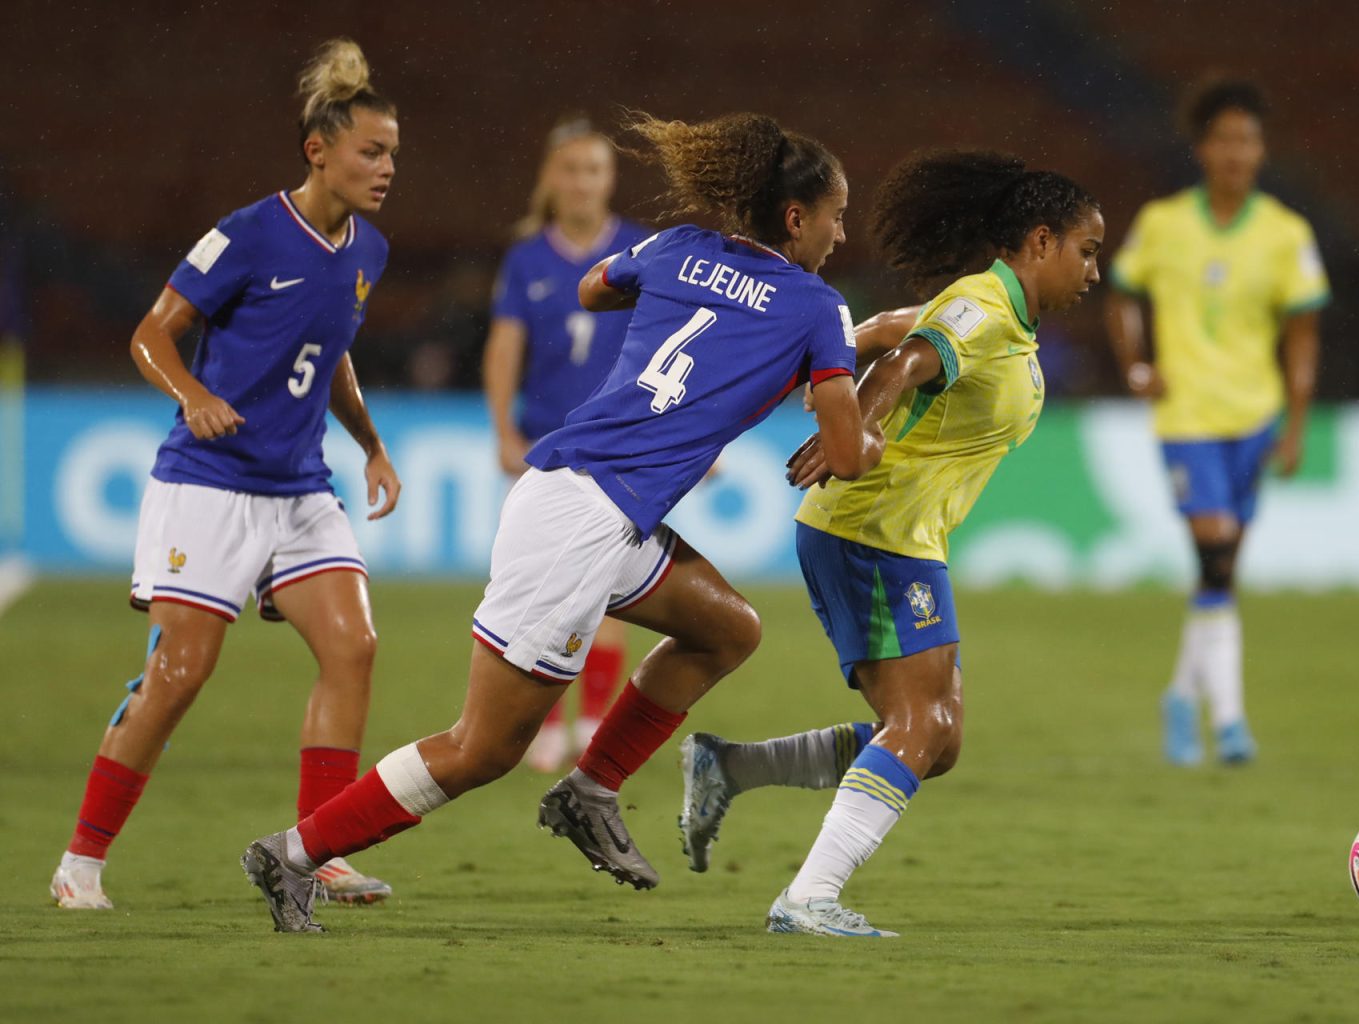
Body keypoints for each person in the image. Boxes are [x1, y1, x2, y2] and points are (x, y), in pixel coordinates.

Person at [240, 111, 882, 932]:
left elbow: (593, 289)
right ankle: (291, 855)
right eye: (836, 214)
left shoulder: (674, 245)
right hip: (581, 520)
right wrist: (880, 390)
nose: (840, 231)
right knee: (482, 748)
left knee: (727, 628)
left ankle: (591, 788)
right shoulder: (817, 307)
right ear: (796, 219)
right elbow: (850, 454)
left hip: (592, 500)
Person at [678, 151, 1105, 938]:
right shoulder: (983, 307)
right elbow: (905, 361)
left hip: (902, 539)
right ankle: (807, 898)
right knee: (922, 726)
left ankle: (730, 766)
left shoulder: (996, 314)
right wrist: (857, 426)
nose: (1095, 270)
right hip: (872, 534)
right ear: (1041, 242)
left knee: (934, 740)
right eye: (1087, 249)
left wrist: (828, 371)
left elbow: (879, 330)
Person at [48, 39, 403, 910]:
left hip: (299, 487)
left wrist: (371, 444)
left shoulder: (371, 250)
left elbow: (334, 358)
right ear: (319, 150)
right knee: (179, 675)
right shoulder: (247, 234)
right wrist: (193, 393)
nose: (388, 167)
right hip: (208, 481)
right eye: (372, 150)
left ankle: (314, 851)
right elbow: (149, 334)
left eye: (394, 152)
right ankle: (79, 864)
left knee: (353, 647)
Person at [1103, 77, 1329, 766]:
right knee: (1216, 553)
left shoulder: (1286, 234)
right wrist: (1137, 366)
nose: (1237, 152)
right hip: (1189, 416)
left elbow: (1302, 336)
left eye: (1249, 139)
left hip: (1254, 418)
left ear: (1262, 151)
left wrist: (1294, 425)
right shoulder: (1163, 223)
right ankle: (1229, 720)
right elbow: (1120, 296)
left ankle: (1180, 694)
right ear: (1202, 148)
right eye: (1225, 138)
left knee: (1218, 573)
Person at [482, 116, 652, 771]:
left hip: (622, 444)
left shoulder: (639, 252)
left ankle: (593, 721)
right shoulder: (527, 258)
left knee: (606, 590)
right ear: (551, 179)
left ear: (609, 181)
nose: (581, 183)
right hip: (549, 448)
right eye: (571, 170)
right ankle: (549, 720)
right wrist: (503, 430)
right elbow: (505, 346)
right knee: (545, 591)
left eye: (594, 171)